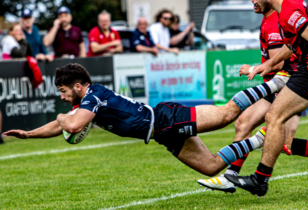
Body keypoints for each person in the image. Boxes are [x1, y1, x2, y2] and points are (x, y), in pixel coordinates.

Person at [4, 63, 289, 177]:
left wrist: (61, 116)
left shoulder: (93, 96)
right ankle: (260, 140)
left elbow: (71, 125)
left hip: (166, 118)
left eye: (64, 92)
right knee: (212, 167)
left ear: (78, 86)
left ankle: (275, 84)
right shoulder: (84, 102)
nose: (63, 98)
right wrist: (29, 134)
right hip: (161, 133)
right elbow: (61, 125)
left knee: (227, 114)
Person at [197, 0, 308, 193]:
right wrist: (262, 67)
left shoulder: (281, 17)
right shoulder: (275, 16)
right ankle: (231, 175)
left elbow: (288, 57)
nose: (252, 0)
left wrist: (258, 68)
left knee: (283, 139)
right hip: (295, 78)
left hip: (295, 80)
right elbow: (291, 48)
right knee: (245, 124)